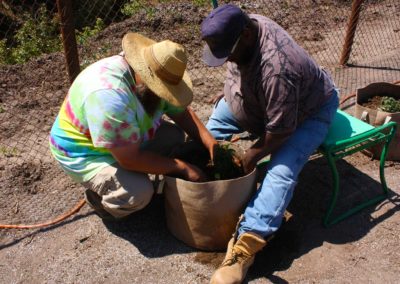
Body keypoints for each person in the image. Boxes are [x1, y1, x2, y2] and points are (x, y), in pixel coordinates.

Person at [201, 4, 339, 283]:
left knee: (281, 172)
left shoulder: (277, 68)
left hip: (306, 112)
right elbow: (243, 69)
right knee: (209, 134)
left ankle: (243, 250)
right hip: (261, 101)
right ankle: (194, 187)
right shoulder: (247, 26)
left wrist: (252, 156)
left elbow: (279, 132)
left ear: (247, 35)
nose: (228, 59)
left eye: (229, 53)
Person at [49, 33, 217, 220]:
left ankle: (141, 174)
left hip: (123, 139)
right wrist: (183, 168)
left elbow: (182, 112)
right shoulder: (109, 96)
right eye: (160, 89)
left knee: (173, 137)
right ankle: (101, 199)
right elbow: (129, 159)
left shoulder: (151, 74)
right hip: (85, 153)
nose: (164, 94)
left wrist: (211, 143)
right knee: (137, 194)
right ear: (144, 75)